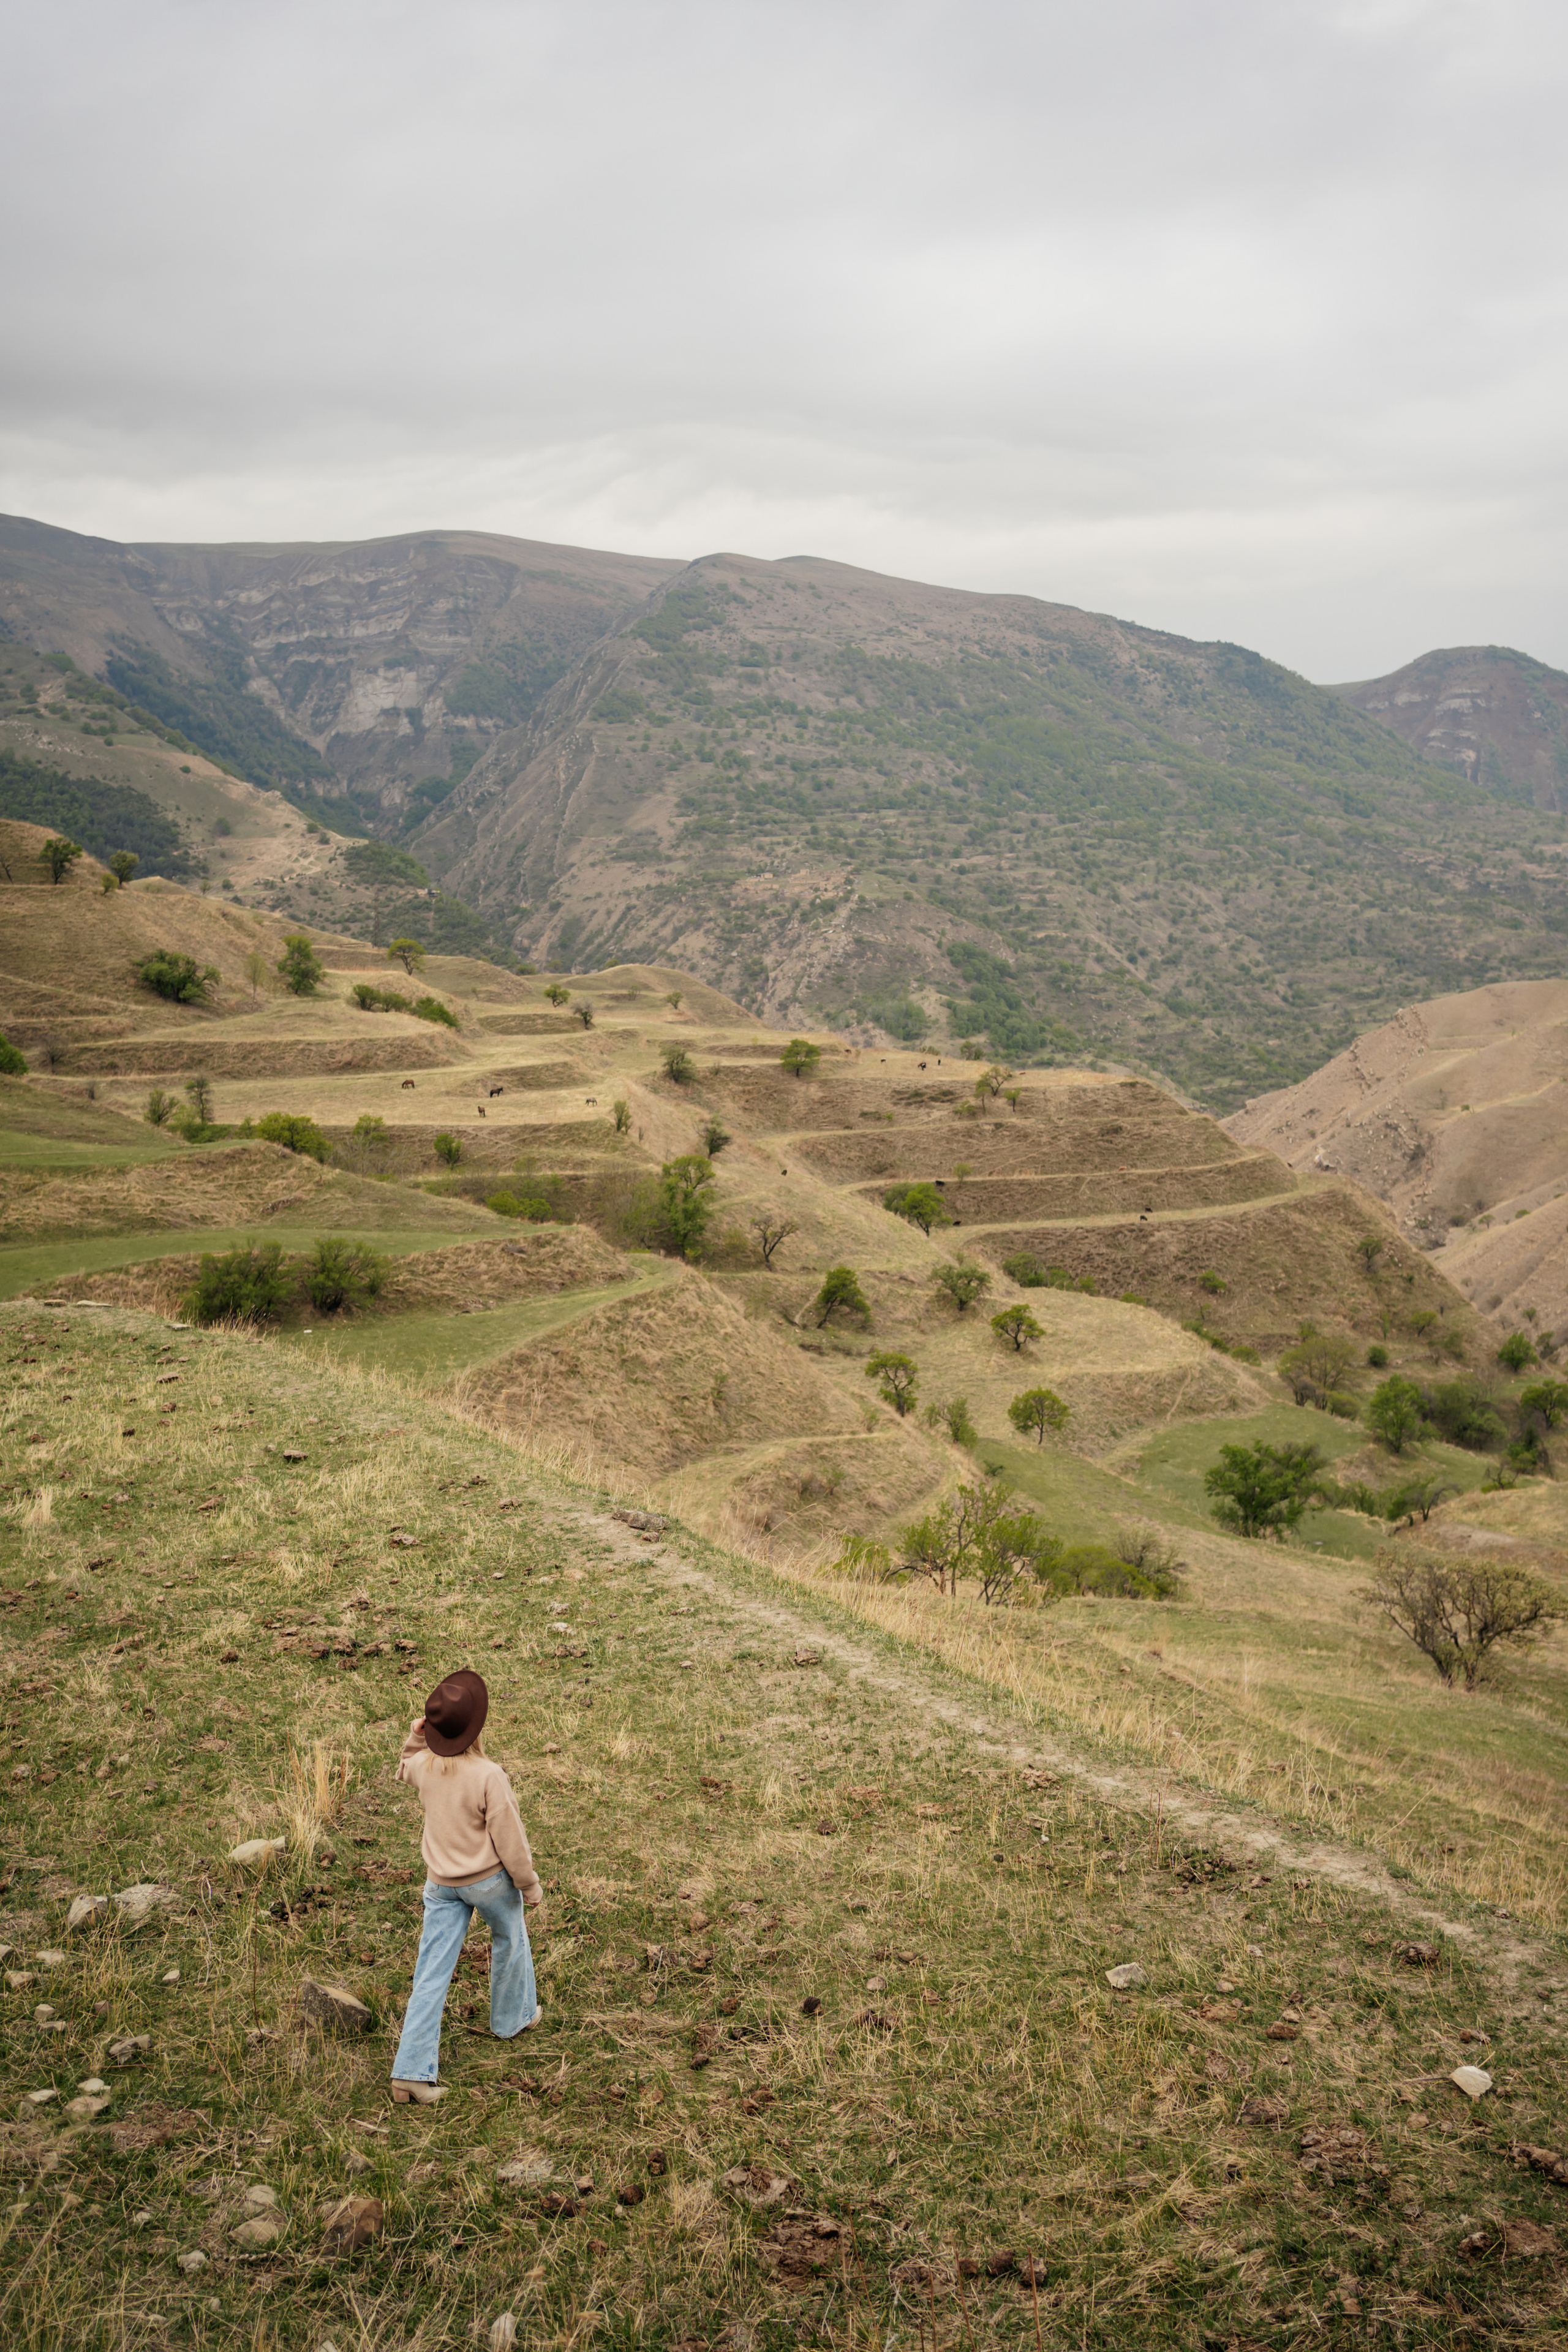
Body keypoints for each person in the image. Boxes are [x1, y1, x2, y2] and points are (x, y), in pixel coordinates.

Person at [389, 1668, 545, 2103]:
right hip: (489, 1883)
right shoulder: (488, 1775)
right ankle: (512, 2020)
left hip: (440, 1885)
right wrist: (528, 1884)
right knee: (510, 1938)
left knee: (431, 1972)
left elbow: (403, 1767)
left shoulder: (423, 1766)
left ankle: (410, 2075)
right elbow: (511, 1843)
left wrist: (416, 1736)